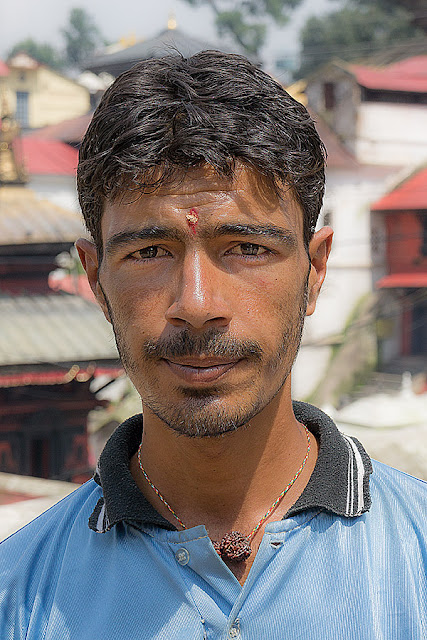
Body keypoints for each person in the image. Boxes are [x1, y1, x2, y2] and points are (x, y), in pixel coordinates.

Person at [1, 51, 426, 639]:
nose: (197, 304)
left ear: (316, 269)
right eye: (149, 253)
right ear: (95, 278)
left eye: (247, 248)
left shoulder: (416, 559)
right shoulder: (19, 593)